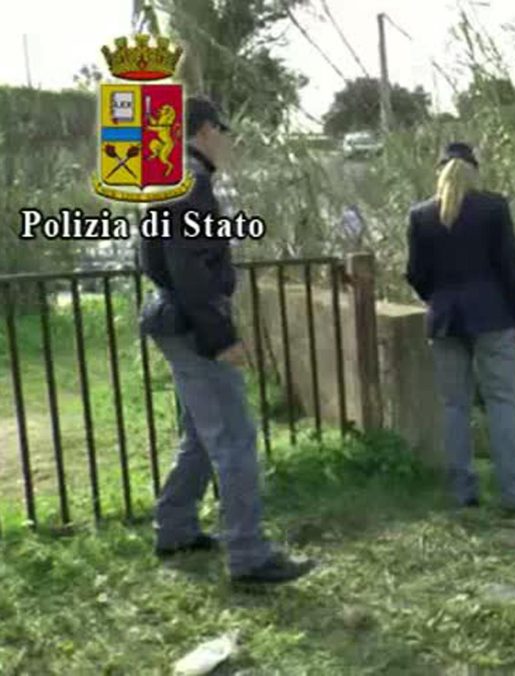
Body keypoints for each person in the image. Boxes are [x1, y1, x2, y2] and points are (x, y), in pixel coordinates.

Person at [137, 96, 315, 584]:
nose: (230, 142)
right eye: (225, 131)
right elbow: (189, 270)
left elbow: (160, 263)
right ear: (207, 130)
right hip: (195, 326)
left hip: (174, 320)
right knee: (235, 437)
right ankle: (249, 554)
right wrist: (222, 339)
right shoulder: (191, 185)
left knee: (200, 433)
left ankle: (174, 528)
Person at [405, 142, 515, 514]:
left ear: (438, 171)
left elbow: (416, 273)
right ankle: (512, 494)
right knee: (502, 402)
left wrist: (438, 299)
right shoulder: (494, 207)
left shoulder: (421, 215)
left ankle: (464, 492)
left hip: (445, 319)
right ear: (474, 170)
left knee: (454, 406)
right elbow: (510, 267)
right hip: (493, 316)